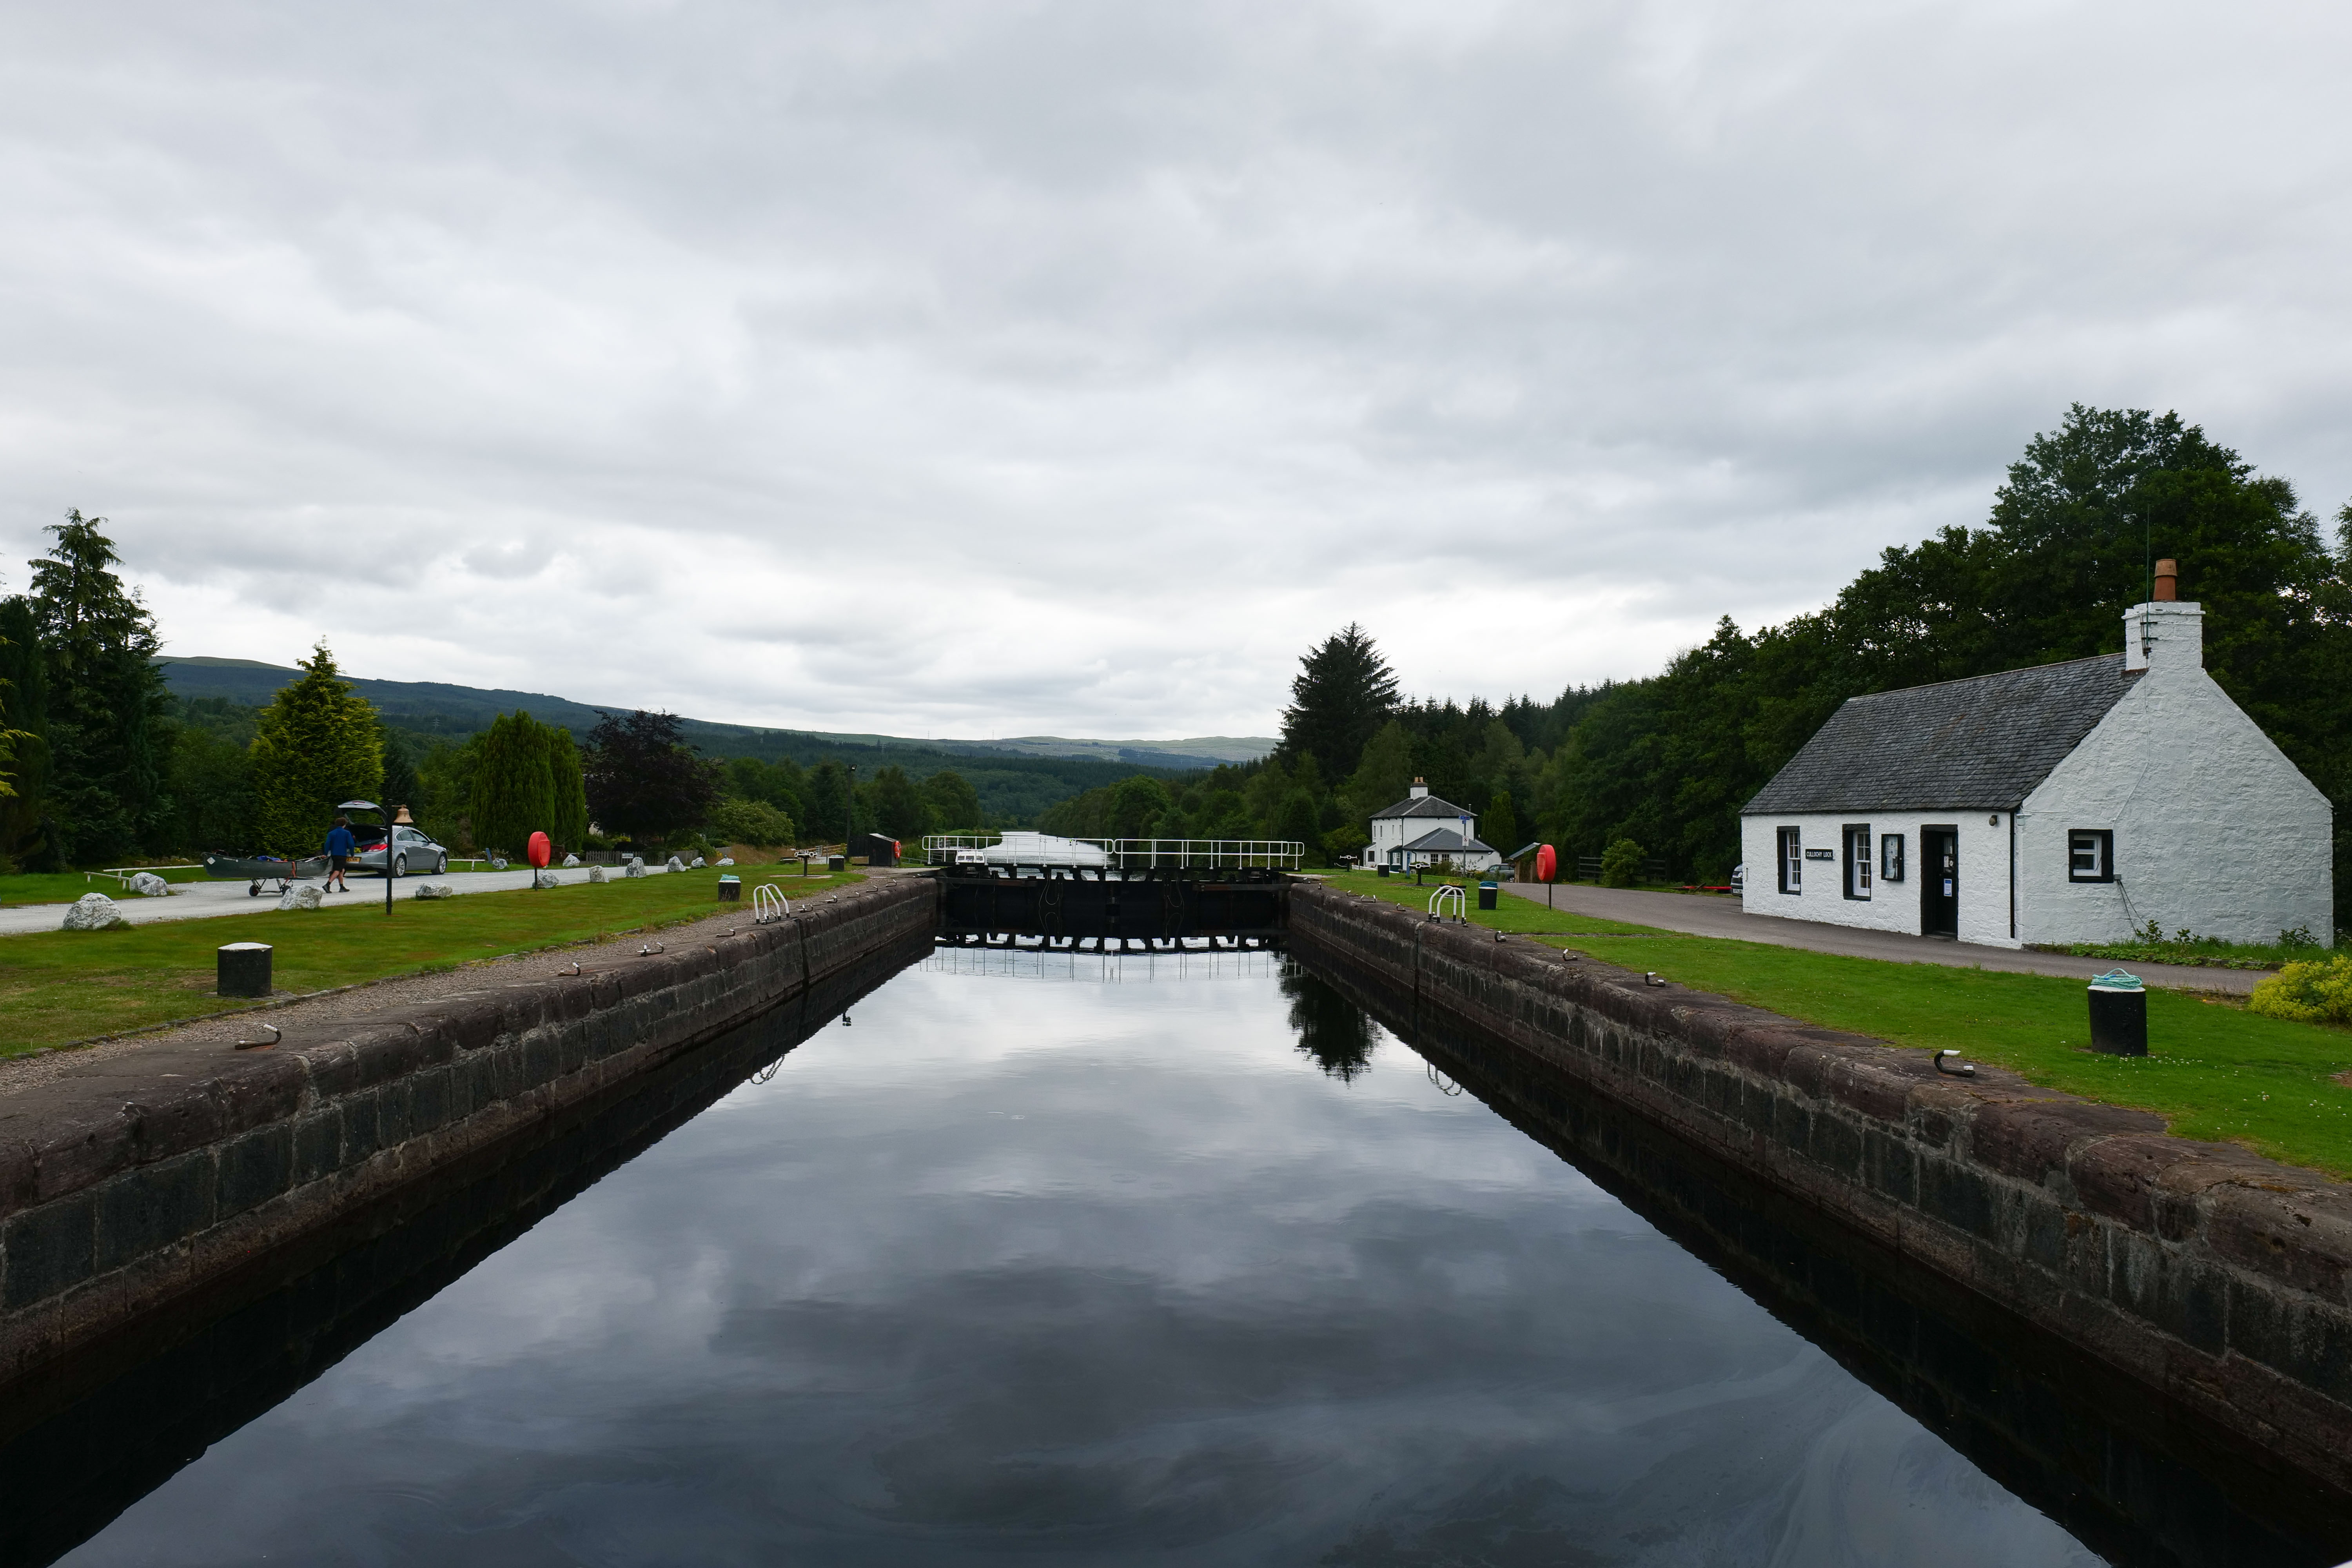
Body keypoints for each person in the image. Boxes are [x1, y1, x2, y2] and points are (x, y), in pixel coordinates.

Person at [323, 815, 356, 893]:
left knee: (342, 870)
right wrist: (352, 854)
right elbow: (351, 844)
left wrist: (325, 853)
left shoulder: (332, 833)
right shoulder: (347, 833)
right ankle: (328, 885)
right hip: (342, 854)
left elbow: (327, 844)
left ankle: (342, 887)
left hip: (334, 854)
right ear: (344, 824)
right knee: (338, 870)